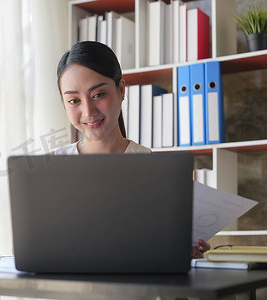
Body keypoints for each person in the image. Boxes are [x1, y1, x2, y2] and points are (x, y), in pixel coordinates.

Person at [54, 41, 210, 258]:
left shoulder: (158, 171)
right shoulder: (52, 167)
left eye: (98, 94)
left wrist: (185, 251)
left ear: (121, 90)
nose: (88, 111)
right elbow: (28, 247)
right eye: (74, 100)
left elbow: (161, 248)